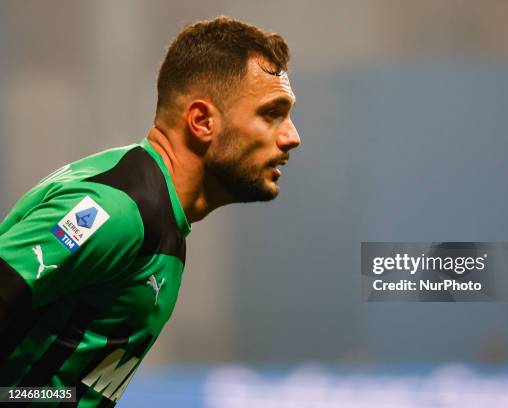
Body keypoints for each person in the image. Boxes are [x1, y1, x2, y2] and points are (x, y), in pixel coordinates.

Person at [0, 16, 300, 406]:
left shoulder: (161, 215)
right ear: (202, 121)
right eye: (271, 114)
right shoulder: (118, 211)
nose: (292, 136)